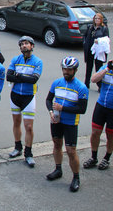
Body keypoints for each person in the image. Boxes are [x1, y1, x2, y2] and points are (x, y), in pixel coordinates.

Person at [45, 56, 88, 192]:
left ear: (75, 70)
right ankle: (58, 169)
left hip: (70, 122)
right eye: (64, 69)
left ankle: (76, 177)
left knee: (71, 151)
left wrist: (63, 108)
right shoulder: (57, 83)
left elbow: (82, 109)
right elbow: (48, 99)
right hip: (56, 120)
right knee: (57, 144)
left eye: (69, 70)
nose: (66, 72)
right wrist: (51, 111)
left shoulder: (81, 87)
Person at [6, 36, 43, 167]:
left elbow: (34, 79)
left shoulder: (38, 61)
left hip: (28, 97)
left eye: (26, 44)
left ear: (32, 46)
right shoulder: (15, 59)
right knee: (16, 123)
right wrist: (22, 77)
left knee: (28, 126)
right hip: (15, 96)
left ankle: (28, 153)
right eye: (21, 44)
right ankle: (17, 147)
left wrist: (18, 76)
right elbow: (8, 76)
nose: (24, 46)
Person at [82, 60, 113, 171]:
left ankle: (106, 158)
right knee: (95, 133)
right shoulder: (106, 69)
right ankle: (94, 157)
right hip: (101, 106)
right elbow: (94, 79)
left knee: (110, 136)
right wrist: (107, 69)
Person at [83, 13, 109, 90]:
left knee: (98, 68)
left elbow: (107, 40)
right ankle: (86, 84)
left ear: (101, 20)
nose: (97, 20)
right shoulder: (90, 27)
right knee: (88, 68)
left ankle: (99, 85)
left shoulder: (104, 28)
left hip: (99, 52)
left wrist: (99, 41)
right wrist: (85, 43)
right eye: (95, 18)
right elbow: (85, 36)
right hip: (90, 50)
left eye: (98, 19)